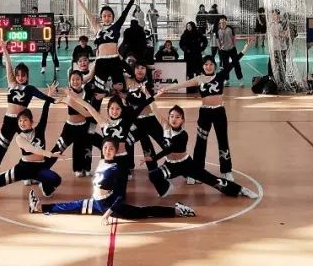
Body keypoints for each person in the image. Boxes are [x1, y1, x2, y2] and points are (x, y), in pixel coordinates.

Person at [28, 138, 196, 222]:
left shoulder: (117, 169)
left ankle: (178, 211)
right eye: (105, 148)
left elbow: (120, 195)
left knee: (143, 212)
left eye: (111, 149)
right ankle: (38, 207)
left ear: (115, 152)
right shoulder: (101, 162)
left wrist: (109, 212)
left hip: (111, 206)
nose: (107, 150)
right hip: (97, 203)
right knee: (71, 206)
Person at [158, 45, 249, 182]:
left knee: (223, 141)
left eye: (211, 64)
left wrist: (245, 49)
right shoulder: (199, 79)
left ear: (214, 66)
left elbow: (234, 61)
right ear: (203, 66)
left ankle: (226, 170)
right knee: (200, 143)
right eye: (206, 64)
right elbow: (182, 84)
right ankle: (196, 172)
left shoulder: (220, 75)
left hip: (219, 112)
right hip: (205, 113)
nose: (208, 66)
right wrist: (166, 88)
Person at [0, 41, 57, 180]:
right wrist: (5, 50)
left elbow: (44, 97)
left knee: (28, 148)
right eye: (18, 75)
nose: (20, 78)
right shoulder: (11, 84)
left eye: (23, 75)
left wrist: (52, 96)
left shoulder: (30, 89)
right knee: (0, 149)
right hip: (8, 121)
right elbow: (9, 66)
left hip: (22, 121)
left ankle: (30, 175)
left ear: (27, 76)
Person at [146, 105, 257, 199]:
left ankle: (240, 190)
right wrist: (147, 94)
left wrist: (153, 158)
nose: (174, 119)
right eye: (171, 116)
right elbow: (155, 110)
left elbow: (169, 149)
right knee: (153, 175)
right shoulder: (166, 127)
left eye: (178, 117)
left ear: (183, 120)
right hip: (170, 165)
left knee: (212, 180)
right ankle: (165, 189)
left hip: (186, 164)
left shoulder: (183, 135)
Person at [0, 100, 62, 201]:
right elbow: (31, 149)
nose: (22, 123)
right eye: (20, 121)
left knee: (56, 179)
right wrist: (50, 154)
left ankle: (45, 188)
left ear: (31, 121)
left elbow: (45, 113)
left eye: (25, 120)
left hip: (40, 167)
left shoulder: (39, 130)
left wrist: (49, 98)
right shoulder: (20, 138)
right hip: (24, 168)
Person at [73, 0, 140, 90]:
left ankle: (118, 94)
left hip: (114, 60)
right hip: (101, 61)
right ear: (101, 17)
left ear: (113, 17)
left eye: (109, 16)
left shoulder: (116, 27)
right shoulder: (97, 28)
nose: (107, 18)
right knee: (98, 90)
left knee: (119, 87)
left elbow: (125, 12)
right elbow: (87, 13)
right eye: (104, 16)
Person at [50, 68, 96, 178]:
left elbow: (91, 76)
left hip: (83, 127)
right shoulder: (68, 93)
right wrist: (50, 94)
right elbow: (54, 99)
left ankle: (84, 168)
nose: (75, 81)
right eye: (73, 79)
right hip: (69, 128)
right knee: (57, 149)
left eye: (78, 79)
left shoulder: (87, 93)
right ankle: (41, 169)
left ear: (82, 80)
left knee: (81, 147)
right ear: (69, 81)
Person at [126, 61, 165, 174]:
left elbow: (148, 101)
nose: (140, 70)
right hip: (135, 121)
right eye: (137, 68)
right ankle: (129, 166)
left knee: (165, 142)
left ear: (146, 71)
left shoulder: (150, 83)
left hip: (150, 119)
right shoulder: (128, 81)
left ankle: (178, 165)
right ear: (133, 70)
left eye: (143, 68)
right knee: (127, 141)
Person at [178, 22, 207, 95]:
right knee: (189, 71)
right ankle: (191, 86)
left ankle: (199, 85)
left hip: (197, 55)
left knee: (198, 70)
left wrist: (201, 48)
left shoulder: (198, 33)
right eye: (187, 26)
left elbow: (205, 41)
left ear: (193, 26)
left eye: (190, 26)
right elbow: (181, 44)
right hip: (188, 55)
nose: (188, 27)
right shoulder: (184, 35)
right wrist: (186, 49)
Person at [267, 10, 292, 81]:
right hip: (275, 48)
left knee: (283, 64)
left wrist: (285, 33)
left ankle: (282, 78)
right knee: (272, 63)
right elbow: (277, 35)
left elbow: (286, 35)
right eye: (274, 15)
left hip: (282, 47)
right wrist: (283, 34)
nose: (275, 16)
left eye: (277, 14)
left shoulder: (281, 24)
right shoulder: (272, 25)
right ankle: (271, 77)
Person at [215, 16, 242, 81]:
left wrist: (234, 45)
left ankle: (240, 79)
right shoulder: (218, 30)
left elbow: (234, 37)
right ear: (219, 22)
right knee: (225, 66)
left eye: (224, 20)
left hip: (232, 49)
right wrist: (220, 48)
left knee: (236, 64)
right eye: (221, 20)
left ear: (226, 21)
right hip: (224, 51)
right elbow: (217, 39)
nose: (223, 21)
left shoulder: (230, 28)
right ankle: (226, 79)